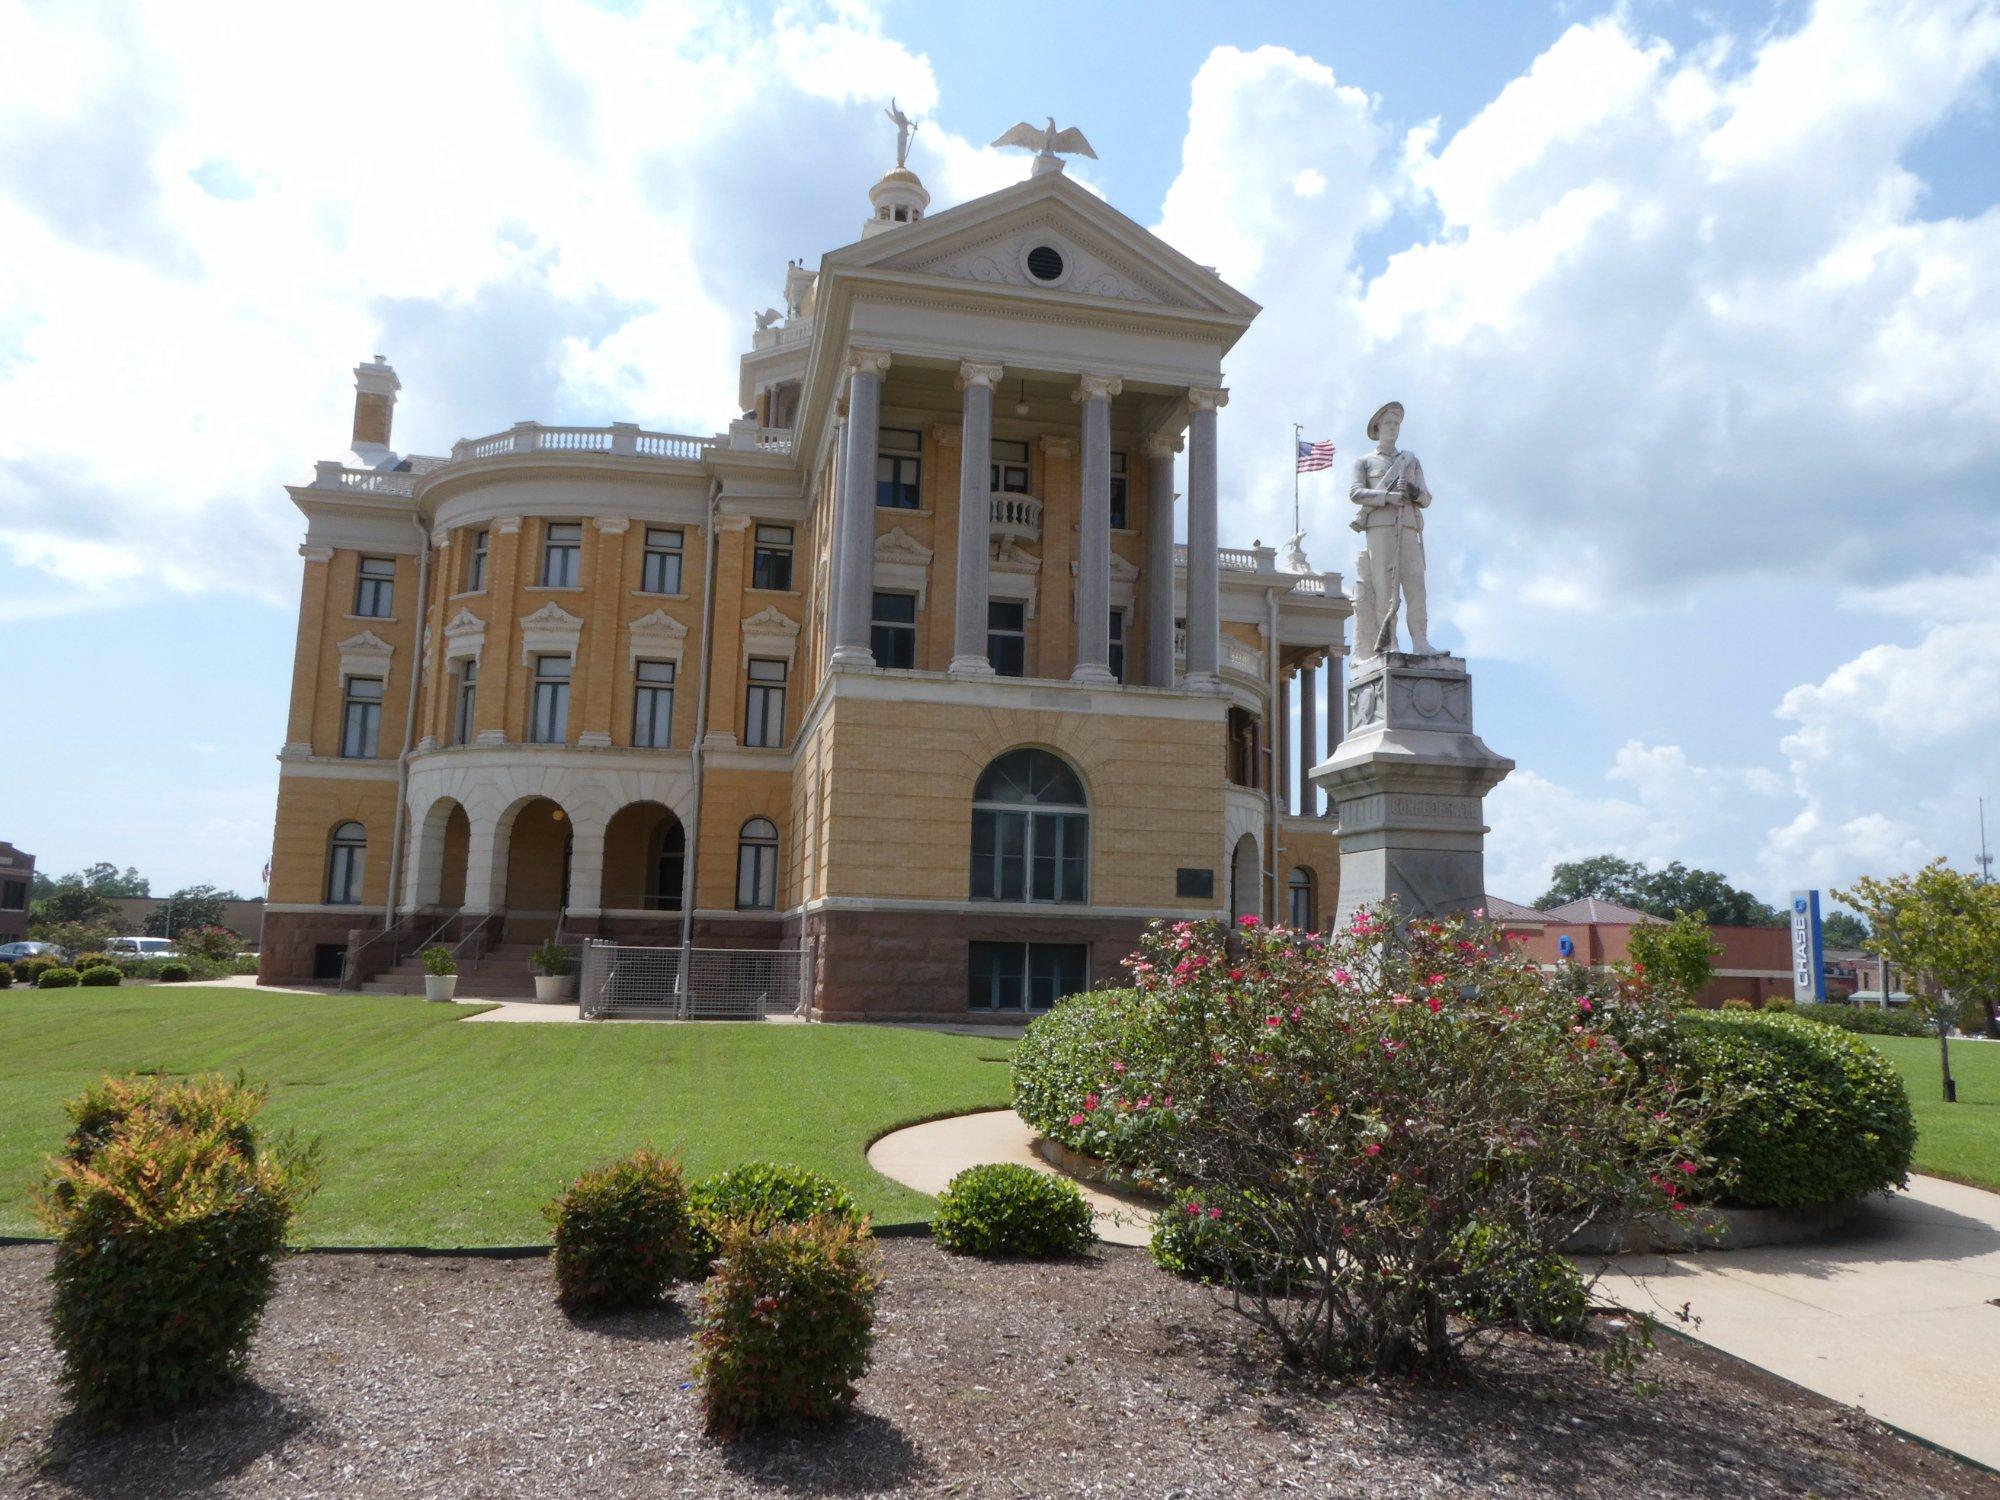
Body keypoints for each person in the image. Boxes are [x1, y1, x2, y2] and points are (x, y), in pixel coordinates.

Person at [1349, 400, 1432, 655]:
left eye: (1397, 423)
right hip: (1380, 527)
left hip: (1408, 527)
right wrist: (1387, 498)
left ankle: (1420, 641)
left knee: (1416, 584)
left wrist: (1412, 491)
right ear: (1378, 426)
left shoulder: (1410, 461)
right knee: (1386, 588)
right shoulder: (1364, 462)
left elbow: (1426, 499)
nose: (1393, 427)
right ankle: (1391, 641)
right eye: (1388, 422)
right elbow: (1355, 493)